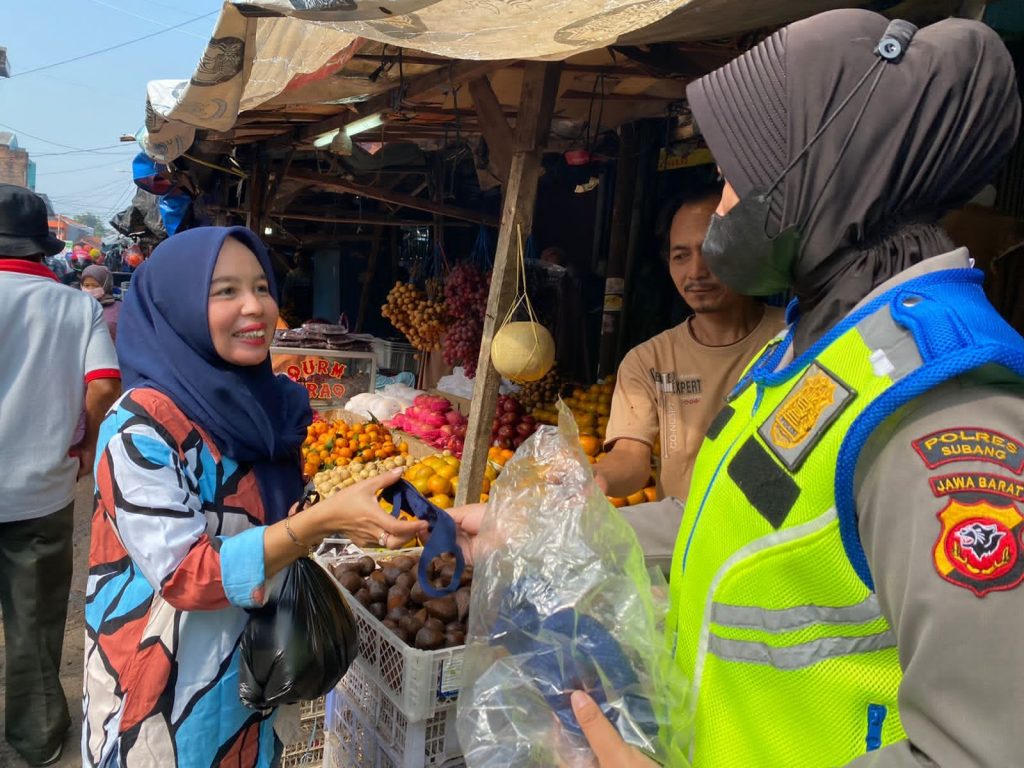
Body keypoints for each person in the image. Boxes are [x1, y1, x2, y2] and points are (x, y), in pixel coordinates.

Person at [457, 9, 1024, 766]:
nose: (722, 203)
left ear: (823, 176)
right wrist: (551, 536)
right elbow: (732, 524)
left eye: (734, 175)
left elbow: (983, 750)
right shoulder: (815, 350)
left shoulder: (940, 412)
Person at [82, 226, 426, 767]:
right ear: (178, 307)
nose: (255, 307)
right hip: (167, 686)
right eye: (224, 291)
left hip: (253, 674)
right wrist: (316, 525)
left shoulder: (262, 408)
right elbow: (186, 574)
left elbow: (276, 524)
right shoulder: (139, 427)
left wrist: (410, 517)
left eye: (262, 287)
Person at [595, 187, 786, 566]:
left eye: (712, 250)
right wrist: (592, 482)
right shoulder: (648, 361)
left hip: (778, 550)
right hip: (683, 549)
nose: (696, 271)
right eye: (681, 256)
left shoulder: (796, 341)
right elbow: (631, 461)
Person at [0, 184, 121, 766]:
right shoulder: (78, 308)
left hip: (36, 494)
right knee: (34, 621)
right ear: (42, 247)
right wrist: (88, 440)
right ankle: (38, 737)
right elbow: (103, 384)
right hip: (40, 494)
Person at [80, 263, 121, 342]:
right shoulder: (79, 306)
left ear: (105, 285)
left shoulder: (117, 308)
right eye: (86, 285)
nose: (90, 289)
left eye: (95, 285)